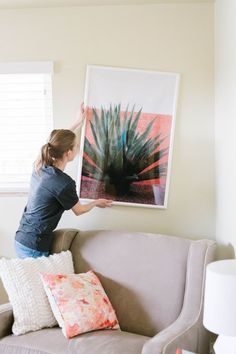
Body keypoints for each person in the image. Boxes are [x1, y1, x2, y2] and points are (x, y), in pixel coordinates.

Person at [15, 104, 112, 259]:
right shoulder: (64, 183)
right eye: (76, 147)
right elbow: (79, 210)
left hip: (21, 239)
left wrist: (77, 122)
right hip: (34, 246)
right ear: (68, 153)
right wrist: (96, 202)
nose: (79, 149)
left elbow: (54, 142)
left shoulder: (39, 165)